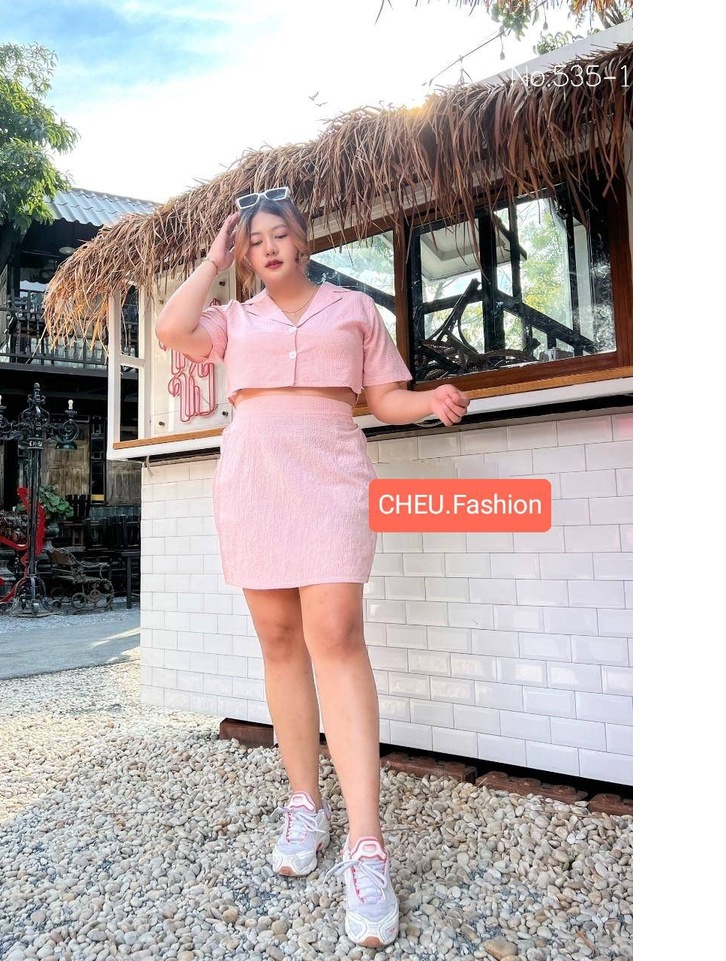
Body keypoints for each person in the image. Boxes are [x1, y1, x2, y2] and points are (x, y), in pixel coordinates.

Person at [155, 187, 469, 948]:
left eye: (277, 234)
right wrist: (212, 259)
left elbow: (382, 399)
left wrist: (428, 400)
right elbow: (169, 329)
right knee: (278, 641)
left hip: (331, 474)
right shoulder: (232, 320)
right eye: (253, 239)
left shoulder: (353, 309)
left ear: (301, 240)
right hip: (254, 477)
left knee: (336, 635)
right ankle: (305, 803)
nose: (266, 247)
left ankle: (367, 845)